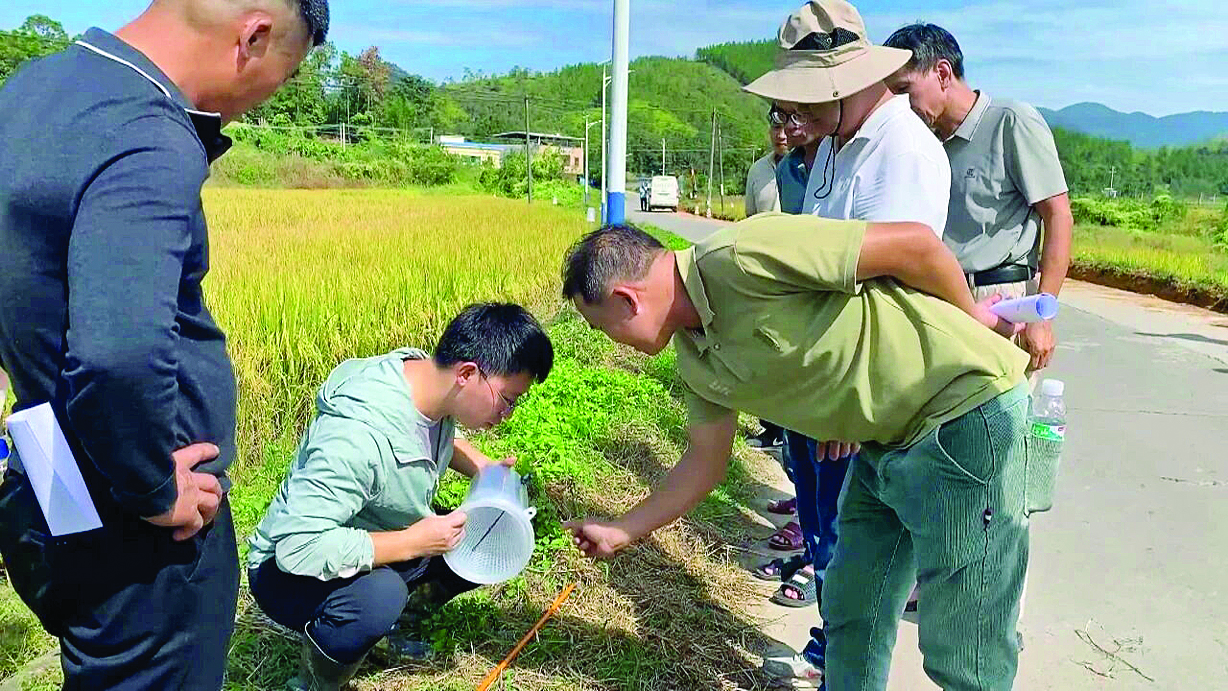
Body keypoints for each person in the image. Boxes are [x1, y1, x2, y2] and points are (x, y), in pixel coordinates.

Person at [0, 1, 327, 689]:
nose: (266, 99)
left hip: (45, 457)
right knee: (148, 665)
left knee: (100, 655)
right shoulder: (149, 134)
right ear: (255, 35)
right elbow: (118, 355)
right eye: (284, 75)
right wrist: (153, 487)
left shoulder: (32, 89)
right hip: (142, 518)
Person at [562, 218, 1031, 691]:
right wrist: (621, 530)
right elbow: (704, 461)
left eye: (602, 328)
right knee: (852, 609)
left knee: (964, 644)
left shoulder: (743, 256)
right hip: (883, 442)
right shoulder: (694, 355)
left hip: (962, 412)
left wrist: (973, 318)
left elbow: (915, 246)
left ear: (627, 299)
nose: (609, 340)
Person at [743, 2, 951, 680]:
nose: (794, 116)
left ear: (842, 83)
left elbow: (900, 291)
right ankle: (832, 651)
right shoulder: (834, 143)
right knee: (823, 531)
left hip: (858, 398)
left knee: (851, 552)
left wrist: (854, 408)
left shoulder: (902, 151)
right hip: (821, 388)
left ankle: (842, 661)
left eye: (806, 98)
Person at [247, 303, 554, 691]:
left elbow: (423, 433)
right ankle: (314, 682)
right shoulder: (357, 436)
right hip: (285, 571)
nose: (508, 412)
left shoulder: (428, 382)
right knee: (380, 597)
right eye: (508, 399)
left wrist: (480, 464)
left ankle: (396, 629)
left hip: (367, 530)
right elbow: (298, 546)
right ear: (467, 374)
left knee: (482, 534)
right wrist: (413, 542)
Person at [883, 23, 1073, 373]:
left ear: (942, 73)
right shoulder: (925, 144)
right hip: (943, 299)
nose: (902, 107)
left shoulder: (1010, 122)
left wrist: (1041, 315)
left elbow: (1058, 215)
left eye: (905, 91)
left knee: (999, 414)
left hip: (1000, 300)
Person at [743, 108, 791, 451]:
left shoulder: (811, 167)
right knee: (765, 355)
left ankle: (793, 430)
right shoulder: (758, 171)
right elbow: (747, 221)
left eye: (787, 127)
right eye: (775, 128)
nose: (781, 135)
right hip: (763, 278)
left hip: (796, 277)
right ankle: (771, 428)